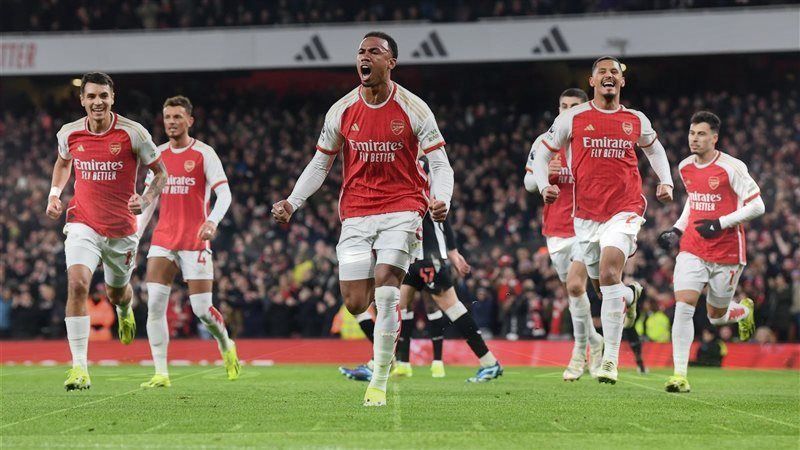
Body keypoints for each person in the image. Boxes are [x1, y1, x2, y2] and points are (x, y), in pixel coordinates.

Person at [272, 31, 454, 407]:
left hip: (403, 208)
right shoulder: (341, 110)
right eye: (360, 52)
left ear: (391, 62)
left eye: (374, 52)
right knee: (355, 302)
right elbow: (320, 163)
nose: (364, 57)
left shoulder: (414, 108)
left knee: (387, 288)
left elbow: (439, 163)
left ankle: (380, 379)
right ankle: (388, 329)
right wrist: (293, 201)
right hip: (356, 213)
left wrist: (442, 198)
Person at [531, 57, 674, 384]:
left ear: (622, 82)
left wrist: (665, 181)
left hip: (625, 210)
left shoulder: (635, 119)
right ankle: (629, 296)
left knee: (609, 273)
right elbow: (542, 153)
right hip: (585, 217)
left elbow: (655, 150)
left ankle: (609, 359)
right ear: (592, 81)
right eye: (602, 72)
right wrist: (543, 184)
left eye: (614, 72)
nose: (609, 76)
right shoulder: (573, 118)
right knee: (602, 285)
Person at [46, 72, 167, 390]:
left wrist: (146, 198)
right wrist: (54, 195)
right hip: (82, 222)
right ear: (82, 100)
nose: (97, 102)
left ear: (113, 98)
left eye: (103, 96)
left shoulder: (133, 133)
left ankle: (125, 309)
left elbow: (161, 173)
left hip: (122, 230)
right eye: (91, 96)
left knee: (117, 293)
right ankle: (79, 368)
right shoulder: (69, 133)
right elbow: (63, 162)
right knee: (77, 284)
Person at [137, 96, 240, 388]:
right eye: (168, 117)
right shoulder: (157, 155)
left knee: (201, 310)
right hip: (163, 239)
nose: (171, 122)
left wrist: (212, 221)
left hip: (195, 240)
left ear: (189, 121)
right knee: (155, 305)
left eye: (177, 117)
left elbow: (225, 194)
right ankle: (161, 373)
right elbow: (148, 200)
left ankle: (225, 342)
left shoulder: (204, 154)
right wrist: (135, 237)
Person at [657, 111, 762, 393]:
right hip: (692, 247)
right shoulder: (685, 167)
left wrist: (719, 223)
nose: (694, 139)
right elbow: (693, 201)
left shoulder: (732, 167)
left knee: (716, 316)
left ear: (714, 138)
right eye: (692, 133)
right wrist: (677, 229)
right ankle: (679, 376)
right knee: (684, 305)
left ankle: (743, 311)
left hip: (727, 251)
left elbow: (757, 206)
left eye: (701, 134)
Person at [341, 209, 502, 383]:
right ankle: (380, 364)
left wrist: (453, 251)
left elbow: (441, 211)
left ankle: (489, 363)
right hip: (409, 256)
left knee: (452, 307)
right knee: (394, 306)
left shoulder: (427, 191)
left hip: (428, 256)